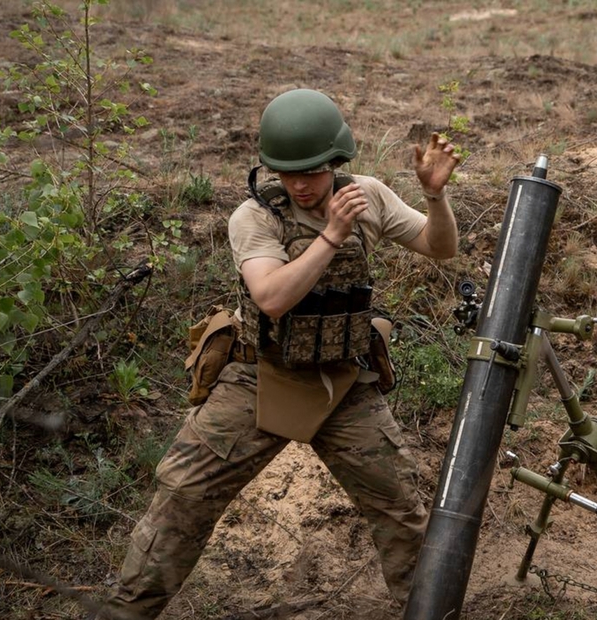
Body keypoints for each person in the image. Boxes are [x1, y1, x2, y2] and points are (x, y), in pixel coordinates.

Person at [101, 88, 461, 619]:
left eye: (313, 170)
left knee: (402, 510)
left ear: (336, 161)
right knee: (181, 500)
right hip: (258, 375)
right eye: (288, 171)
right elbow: (271, 297)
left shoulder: (368, 195)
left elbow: (439, 247)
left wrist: (434, 196)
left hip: (342, 381)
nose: (301, 183)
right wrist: (333, 234)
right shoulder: (254, 216)